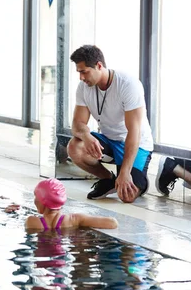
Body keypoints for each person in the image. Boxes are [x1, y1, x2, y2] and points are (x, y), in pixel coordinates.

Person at [66, 45, 154, 203]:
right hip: (109, 141)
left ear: (99, 66)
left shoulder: (128, 85)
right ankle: (108, 179)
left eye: (84, 71)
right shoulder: (84, 88)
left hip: (136, 143)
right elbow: (77, 124)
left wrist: (126, 172)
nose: (81, 77)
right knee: (75, 147)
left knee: (126, 196)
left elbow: (134, 132)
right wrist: (86, 136)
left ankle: (138, 179)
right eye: (79, 72)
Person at [25, 178, 118, 231]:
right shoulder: (74, 220)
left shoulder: (32, 222)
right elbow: (113, 223)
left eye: (36, 196)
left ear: (42, 201)